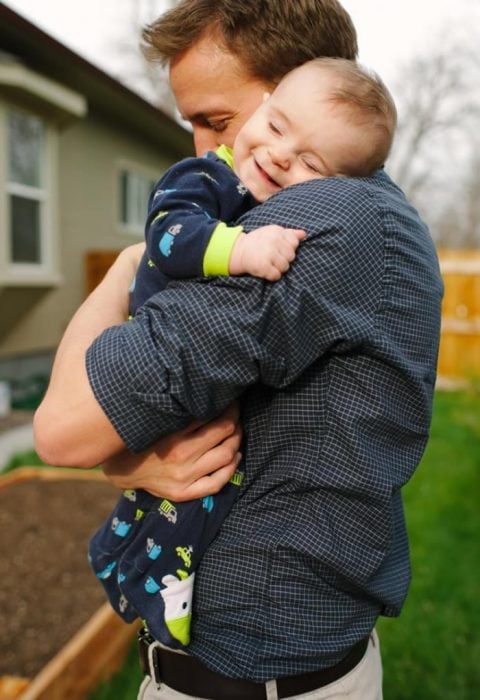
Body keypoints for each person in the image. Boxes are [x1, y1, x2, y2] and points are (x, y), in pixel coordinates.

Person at [34, 2, 443, 699]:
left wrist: (125, 265)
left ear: (305, 89)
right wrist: (132, 463)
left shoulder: (315, 221)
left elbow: (62, 428)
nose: (199, 150)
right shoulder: (351, 210)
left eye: (216, 122)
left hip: (255, 680)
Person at [89, 56, 397, 650]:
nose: (282, 156)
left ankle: (116, 554)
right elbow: (171, 237)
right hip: (161, 345)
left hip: (209, 374)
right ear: (261, 105)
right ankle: (166, 578)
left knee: (194, 477)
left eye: (312, 162)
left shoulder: (280, 204)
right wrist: (242, 251)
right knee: (194, 483)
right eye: (278, 126)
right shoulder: (206, 176)